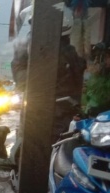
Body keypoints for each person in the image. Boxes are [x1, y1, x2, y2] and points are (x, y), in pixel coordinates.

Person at [12, 5, 86, 141]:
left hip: (50, 118)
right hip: (48, 116)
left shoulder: (58, 54)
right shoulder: (66, 53)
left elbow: (24, 82)